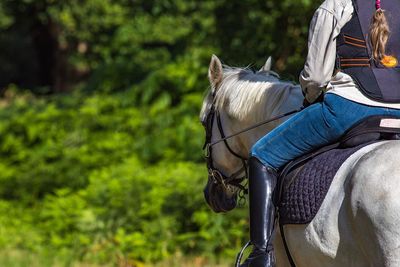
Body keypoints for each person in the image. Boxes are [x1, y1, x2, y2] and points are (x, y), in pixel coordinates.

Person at [239, 0, 400, 266]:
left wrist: (310, 98)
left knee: (261, 156)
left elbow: (314, 77)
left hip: (350, 107)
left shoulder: (335, 4)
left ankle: (261, 255)